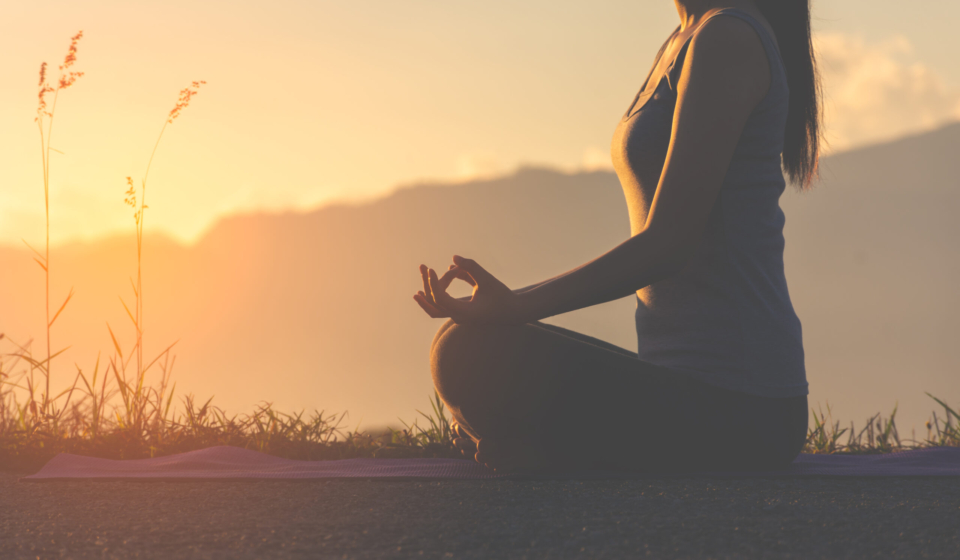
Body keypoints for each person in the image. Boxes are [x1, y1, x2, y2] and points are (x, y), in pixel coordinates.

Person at [413, 0, 820, 473]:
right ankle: (551, 447)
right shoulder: (684, 39)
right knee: (462, 341)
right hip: (677, 385)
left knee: (469, 353)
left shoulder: (728, 37)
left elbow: (669, 244)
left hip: (745, 408)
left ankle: (552, 449)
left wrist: (516, 306)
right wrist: (506, 309)